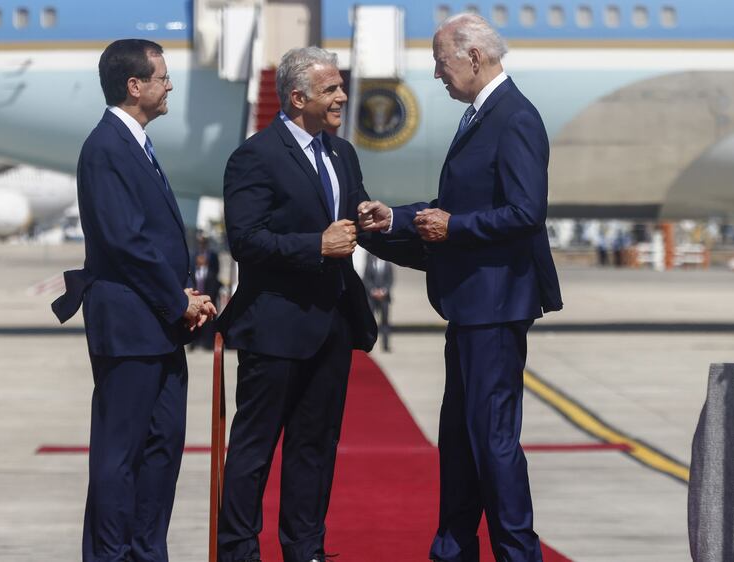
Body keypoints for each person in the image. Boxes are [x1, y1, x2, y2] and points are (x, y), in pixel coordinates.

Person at [359, 14, 563, 562]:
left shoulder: (513, 117)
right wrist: (395, 220)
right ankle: (452, 550)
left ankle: (517, 553)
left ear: (473, 57)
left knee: (492, 443)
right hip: (471, 305)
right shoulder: (481, 115)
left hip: (495, 305)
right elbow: (458, 206)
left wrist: (455, 228)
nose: (435, 75)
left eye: (440, 62)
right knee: (459, 443)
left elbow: (526, 212)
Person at [51, 39, 216, 562]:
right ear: (134, 86)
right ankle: (110, 553)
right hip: (129, 324)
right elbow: (125, 240)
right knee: (119, 454)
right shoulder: (105, 148)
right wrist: (178, 298)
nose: (169, 86)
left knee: (163, 446)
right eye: (163, 77)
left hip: (159, 323)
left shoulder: (137, 145)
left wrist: (181, 296)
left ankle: (147, 550)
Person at [214, 46, 381, 562]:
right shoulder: (255, 156)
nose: (342, 97)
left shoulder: (341, 153)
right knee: (254, 449)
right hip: (275, 326)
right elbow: (245, 241)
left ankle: (305, 549)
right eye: (331, 89)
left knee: (315, 447)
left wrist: (386, 219)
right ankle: (240, 551)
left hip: (330, 324)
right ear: (296, 97)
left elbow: (354, 218)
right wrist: (315, 245)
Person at [190, 232, 223, 350]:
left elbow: (216, 271)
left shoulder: (212, 255)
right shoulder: (194, 255)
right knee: (195, 316)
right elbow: (191, 270)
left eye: (204, 241)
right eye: (200, 241)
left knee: (209, 319)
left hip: (209, 290)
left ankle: (208, 342)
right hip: (197, 289)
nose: (202, 243)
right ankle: (194, 342)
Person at [363, 254, 394, 352]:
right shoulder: (370, 262)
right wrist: (373, 291)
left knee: (384, 322)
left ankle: (385, 345)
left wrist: (384, 291)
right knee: (370, 321)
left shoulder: (388, 264)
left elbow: (390, 280)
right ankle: (368, 344)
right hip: (372, 297)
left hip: (384, 298)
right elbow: (366, 279)